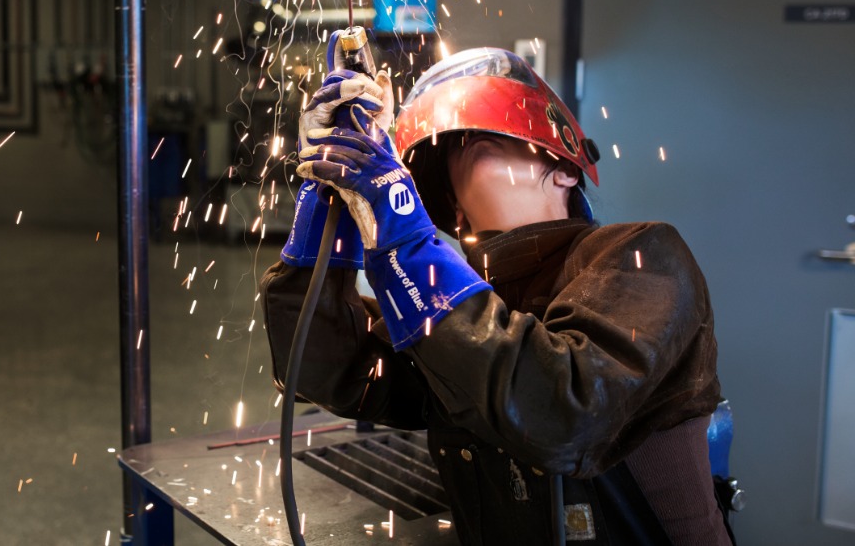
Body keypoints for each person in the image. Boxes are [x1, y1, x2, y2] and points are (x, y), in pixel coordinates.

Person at [262, 47, 730, 544]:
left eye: (495, 137)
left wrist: (405, 241)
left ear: (565, 167)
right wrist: (323, 223)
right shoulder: (447, 312)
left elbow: (562, 412)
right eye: (457, 148)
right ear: (456, 213)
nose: (471, 143)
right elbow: (329, 372)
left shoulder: (643, 256)